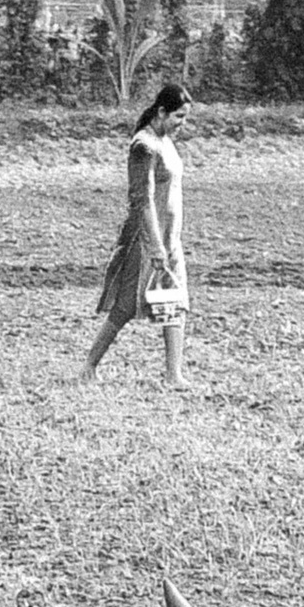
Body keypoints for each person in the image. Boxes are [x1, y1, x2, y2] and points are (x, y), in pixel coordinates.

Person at [83, 83, 191, 390]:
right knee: (126, 306)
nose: (182, 123)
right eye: (178, 116)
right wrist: (155, 246)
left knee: (175, 300)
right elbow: (141, 200)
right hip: (146, 241)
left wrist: (168, 242)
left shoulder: (166, 141)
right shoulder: (143, 146)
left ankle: (174, 375)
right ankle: (89, 366)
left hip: (170, 239)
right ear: (161, 112)